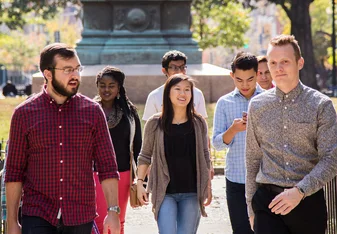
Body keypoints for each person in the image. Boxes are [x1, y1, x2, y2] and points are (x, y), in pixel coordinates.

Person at [5, 43, 121, 234]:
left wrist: (113, 211)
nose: (75, 75)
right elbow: (14, 172)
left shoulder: (92, 112)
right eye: (67, 70)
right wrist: (12, 222)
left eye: (77, 69)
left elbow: (107, 165)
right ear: (48, 74)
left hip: (80, 214)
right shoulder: (23, 114)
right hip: (37, 213)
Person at [245, 34, 337, 234]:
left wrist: (300, 191)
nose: (278, 68)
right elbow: (252, 158)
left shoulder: (321, 105)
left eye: (285, 62)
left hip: (307, 202)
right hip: (267, 204)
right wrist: (250, 207)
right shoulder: (257, 106)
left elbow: (331, 159)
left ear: (300, 62)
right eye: (273, 62)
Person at [137, 74, 212, 234]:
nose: (182, 94)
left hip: (192, 192)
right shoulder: (155, 123)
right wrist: (139, 183)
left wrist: (208, 187)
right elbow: (145, 155)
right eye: (177, 89)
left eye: (187, 90)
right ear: (168, 92)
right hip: (164, 193)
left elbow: (205, 156)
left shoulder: (199, 123)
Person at [212, 52, 263, 234]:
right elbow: (217, 144)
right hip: (236, 179)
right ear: (232, 76)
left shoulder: (267, 100)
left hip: (264, 179)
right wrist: (233, 130)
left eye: (250, 79)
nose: (245, 85)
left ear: (257, 74)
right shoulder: (224, 103)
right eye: (239, 80)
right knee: (241, 230)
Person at [92, 66, 142, 234]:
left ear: (119, 87)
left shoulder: (129, 112)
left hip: (123, 173)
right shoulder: (89, 110)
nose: (106, 89)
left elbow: (138, 145)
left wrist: (142, 179)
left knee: (118, 221)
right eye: (102, 85)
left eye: (111, 85)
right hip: (95, 173)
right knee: (99, 220)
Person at [142, 50, 208, 121]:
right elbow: (149, 127)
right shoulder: (154, 96)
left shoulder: (197, 93)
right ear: (164, 70)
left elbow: (202, 123)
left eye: (182, 67)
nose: (179, 71)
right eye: (174, 67)